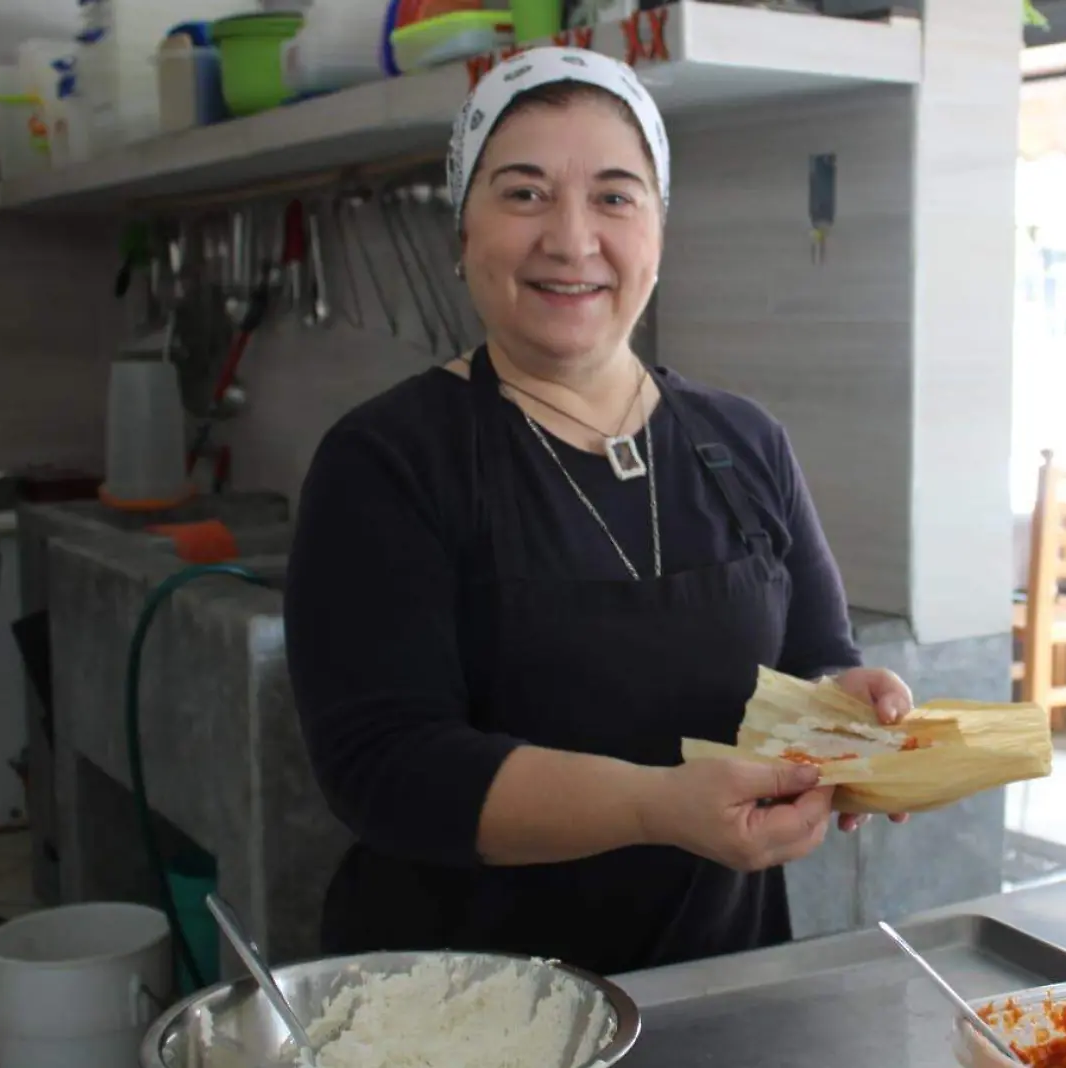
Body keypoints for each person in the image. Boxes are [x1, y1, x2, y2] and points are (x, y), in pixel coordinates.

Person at [283, 46, 915, 977]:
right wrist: (656, 806)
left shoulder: (745, 443)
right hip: (464, 1004)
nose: (573, 240)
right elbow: (385, 769)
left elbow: (814, 658)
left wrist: (846, 713)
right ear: (463, 230)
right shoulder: (385, 460)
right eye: (525, 193)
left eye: (616, 196)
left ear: (659, 231)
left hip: (717, 980)